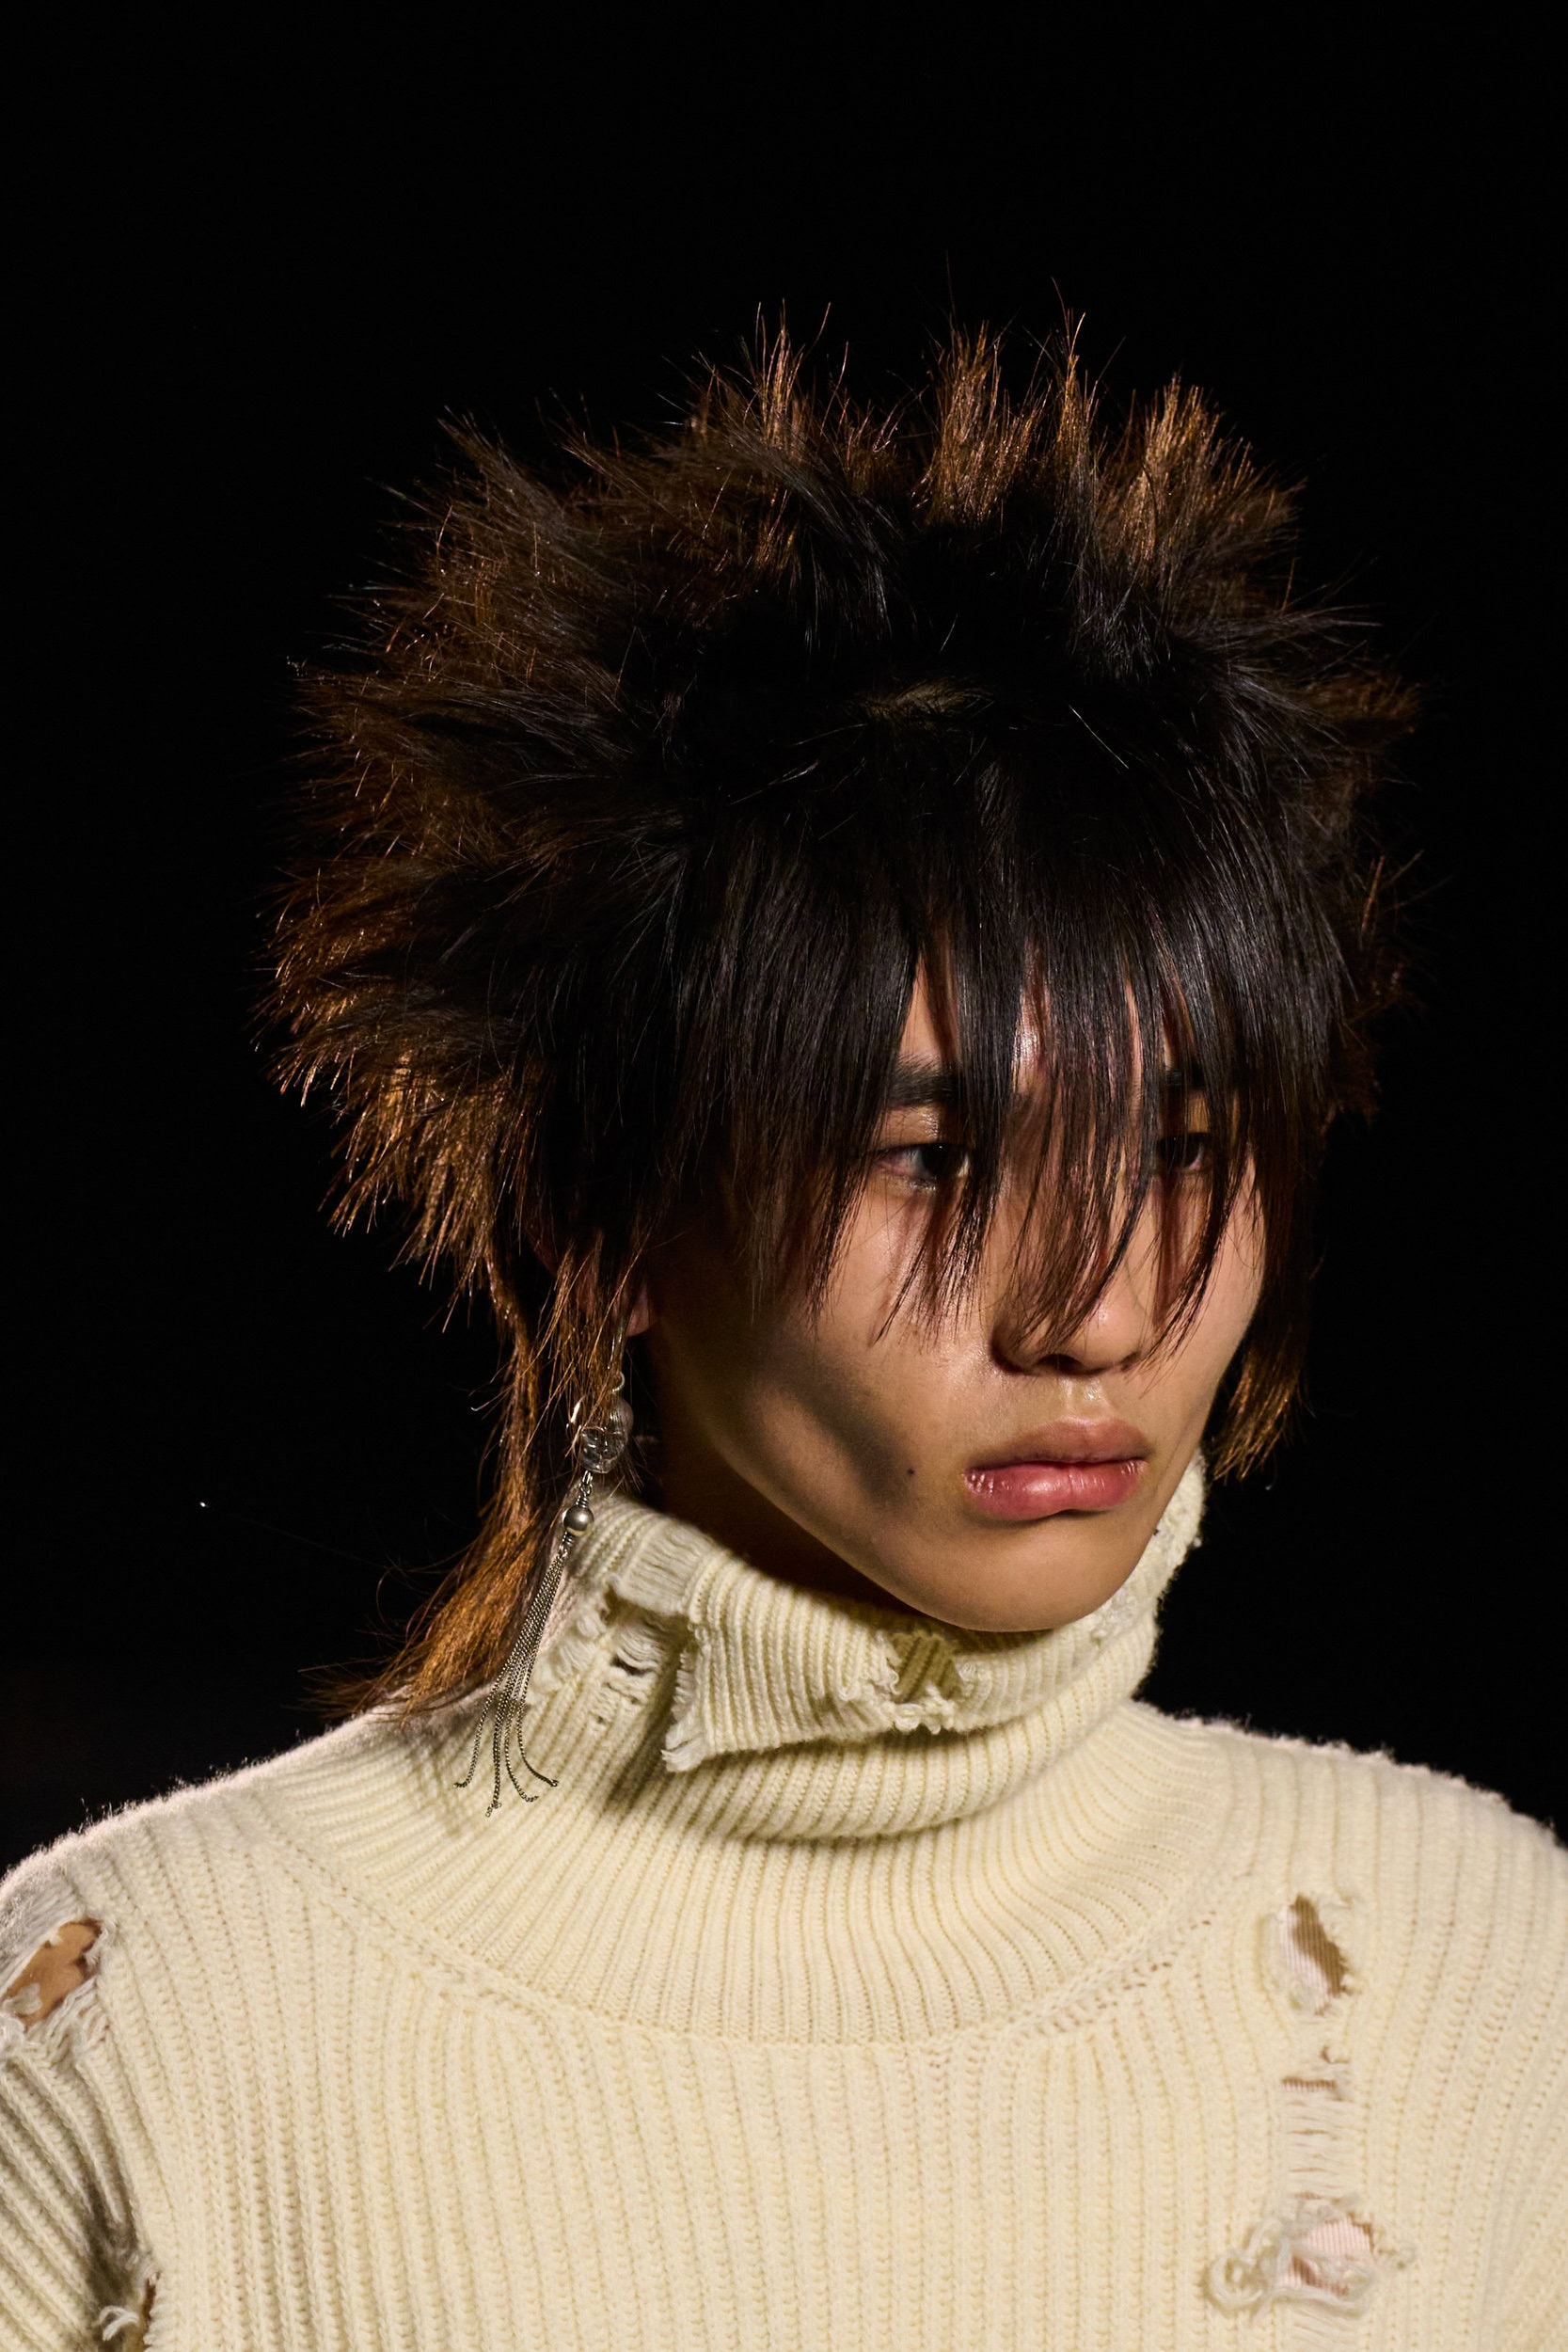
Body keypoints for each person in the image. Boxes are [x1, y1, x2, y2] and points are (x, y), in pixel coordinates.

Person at [2, 332, 1562, 2351]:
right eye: (928, 1159)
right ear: (606, 1219)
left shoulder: (1460, 1968)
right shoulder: (139, 2030)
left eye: (1185, 1149)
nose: (1094, 1309)